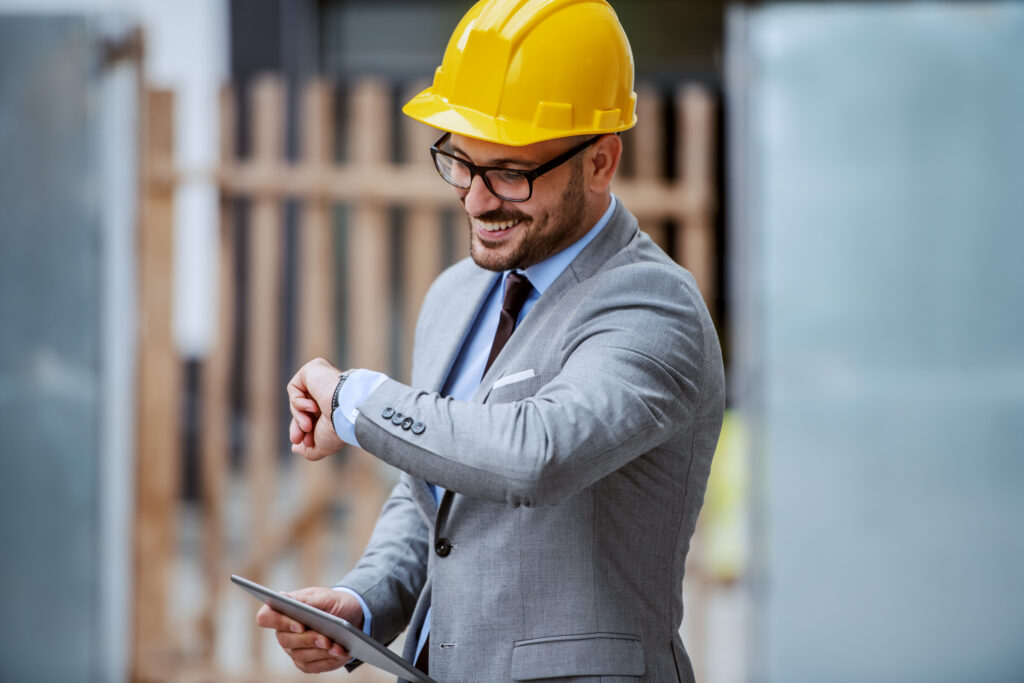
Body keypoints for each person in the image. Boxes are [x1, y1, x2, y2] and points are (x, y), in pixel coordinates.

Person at [256, 0, 725, 680]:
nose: (476, 200)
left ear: (600, 162)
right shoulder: (454, 296)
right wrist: (363, 600)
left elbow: (535, 454)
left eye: (510, 172)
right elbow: (434, 495)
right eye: (460, 161)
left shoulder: (654, 307)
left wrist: (355, 400)